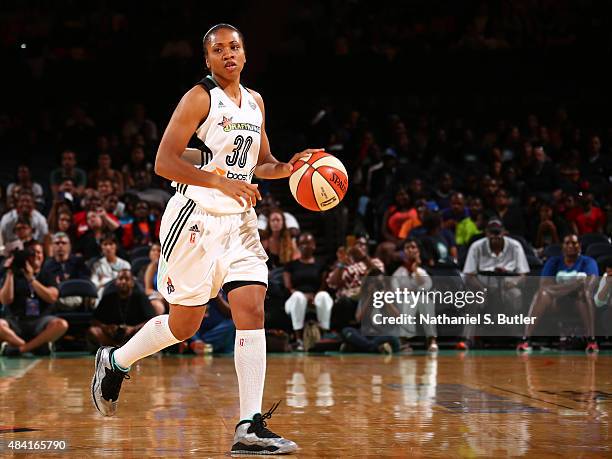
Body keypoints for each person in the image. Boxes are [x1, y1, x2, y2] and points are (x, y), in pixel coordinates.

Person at [91, 23, 321, 455]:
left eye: (235, 47)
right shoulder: (199, 98)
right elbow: (164, 161)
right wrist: (217, 181)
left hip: (239, 222)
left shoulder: (255, 102)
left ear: (246, 54)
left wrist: (292, 168)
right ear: (208, 59)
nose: (229, 55)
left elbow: (261, 163)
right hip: (195, 220)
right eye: (219, 50)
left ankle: (248, 427)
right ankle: (116, 360)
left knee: (252, 308)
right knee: (184, 325)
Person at [517, 234, 599, 353]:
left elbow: (589, 287)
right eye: (567, 243)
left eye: (574, 243)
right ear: (562, 247)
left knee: (584, 294)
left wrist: (558, 289)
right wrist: (574, 284)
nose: (570, 245)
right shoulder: (554, 261)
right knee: (542, 294)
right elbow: (544, 286)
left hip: (577, 302)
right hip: (557, 302)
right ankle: (526, 338)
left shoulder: (588, 262)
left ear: (579, 247)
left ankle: (592, 340)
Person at [0, 241, 67, 356]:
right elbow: (5, 300)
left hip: (40, 321)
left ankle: (20, 349)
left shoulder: (48, 274)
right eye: (32, 253)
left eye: (39, 252)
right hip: (16, 321)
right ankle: (34, 347)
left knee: (61, 324)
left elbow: (52, 297)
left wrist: (31, 279)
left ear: (43, 256)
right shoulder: (13, 274)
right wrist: (10, 272)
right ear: (26, 257)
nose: (36, 255)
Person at [283, 233, 332, 350]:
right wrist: (305, 297)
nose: (305, 246)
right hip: (294, 299)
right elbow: (288, 287)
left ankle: (323, 336)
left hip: (315, 298)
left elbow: (324, 285)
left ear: (314, 245)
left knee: (324, 296)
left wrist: (314, 297)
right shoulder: (291, 265)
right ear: (298, 246)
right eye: (302, 243)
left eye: (308, 243)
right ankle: (299, 339)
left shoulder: (321, 264)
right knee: (298, 297)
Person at [87, 270, 157, 348]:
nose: (123, 281)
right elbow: (94, 320)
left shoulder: (141, 297)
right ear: (116, 282)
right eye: (120, 279)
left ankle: (129, 349)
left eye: (127, 279)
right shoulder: (108, 298)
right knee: (94, 330)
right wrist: (106, 327)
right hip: (112, 337)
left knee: (146, 330)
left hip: (134, 335)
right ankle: (114, 349)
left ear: (132, 283)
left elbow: (152, 320)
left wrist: (134, 328)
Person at [392, 238, 437, 352]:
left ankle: (431, 339)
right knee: (410, 300)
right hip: (402, 303)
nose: (410, 250)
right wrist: (411, 293)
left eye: (413, 247)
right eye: (407, 247)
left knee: (425, 300)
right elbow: (396, 292)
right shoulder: (398, 271)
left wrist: (415, 268)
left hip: (420, 301)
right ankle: (404, 339)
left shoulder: (422, 271)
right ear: (403, 251)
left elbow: (426, 287)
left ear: (418, 251)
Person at [90, 234, 131, 303]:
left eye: (111, 244)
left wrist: (104, 281)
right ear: (101, 247)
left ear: (116, 246)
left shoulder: (125, 264)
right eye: (105, 244)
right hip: (103, 293)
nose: (108, 247)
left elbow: (128, 283)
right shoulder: (97, 265)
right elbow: (94, 284)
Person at [143, 242, 166, 315]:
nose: (156, 252)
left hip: (170, 295)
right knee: (157, 306)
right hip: (157, 296)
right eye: (153, 250)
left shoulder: (169, 266)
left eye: (159, 250)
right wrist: (158, 294)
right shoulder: (151, 267)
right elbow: (147, 290)